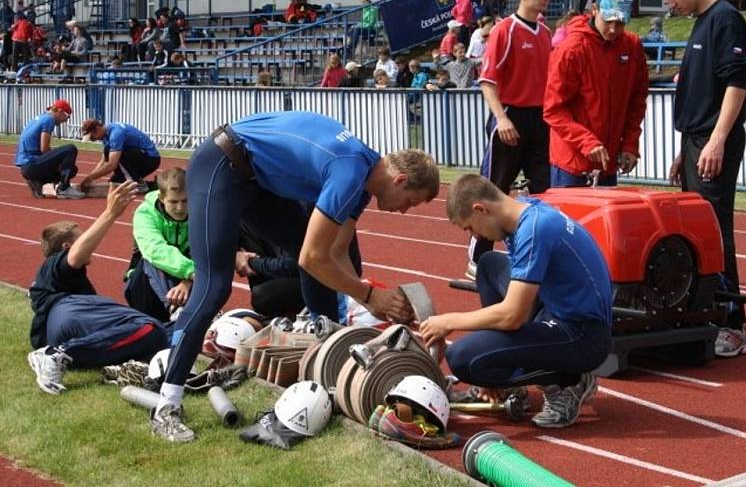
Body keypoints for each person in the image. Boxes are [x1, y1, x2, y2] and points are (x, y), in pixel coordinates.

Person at [149, 111, 439, 442]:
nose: (404, 211)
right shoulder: (349, 173)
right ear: (400, 180)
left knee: (310, 254)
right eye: (410, 203)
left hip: (256, 177)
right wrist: (371, 296)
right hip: (221, 165)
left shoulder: (361, 180)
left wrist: (368, 298)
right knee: (213, 287)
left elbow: (334, 254)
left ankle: (328, 368)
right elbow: (313, 258)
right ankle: (167, 405)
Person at [420, 174, 612, 428]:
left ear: (480, 209)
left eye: (470, 227)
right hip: (557, 309)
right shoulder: (524, 211)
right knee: (488, 265)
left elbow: (513, 316)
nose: (475, 236)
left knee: (463, 358)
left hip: (584, 335)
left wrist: (449, 321)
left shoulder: (534, 230)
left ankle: (569, 382)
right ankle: (508, 381)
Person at [650, 0, 746, 357]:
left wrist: (716, 140)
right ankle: (708, 311)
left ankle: (733, 323)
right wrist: (684, 149)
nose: (670, 4)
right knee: (696, 231)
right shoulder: (701, 23)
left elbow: (736, 85)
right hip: (695, 141)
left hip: (713, 142)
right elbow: (700, 94)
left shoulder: (725, 20)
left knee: (714, 230)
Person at [27, 182, 171, 395]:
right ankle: (56, 354)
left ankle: (63, 358)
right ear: (67, 247)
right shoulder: (55, 264)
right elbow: (74, 257)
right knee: (150, 328)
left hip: (66, 328)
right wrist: (110, 213)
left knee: (155, 336)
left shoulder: (58, 280)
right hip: (67, 314)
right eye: (82, 238)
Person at [467, 0, 552, 280]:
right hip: (511, 115)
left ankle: (537, 252)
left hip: (540, 118)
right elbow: (487, 81)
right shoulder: (505, 31)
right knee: (494, 188)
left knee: (544, 190)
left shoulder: (544, 32)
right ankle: (479, 254)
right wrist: (501, 117)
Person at [544, 0, 649, 187]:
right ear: (595, 10)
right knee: (568, 219)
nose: (613, 29)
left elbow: (636, 102)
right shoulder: (571, 50)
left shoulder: (632, 46)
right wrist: (585, 141)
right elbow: (553, 109)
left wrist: (629, 144)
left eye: (620, 23)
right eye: (608, 20)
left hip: (607, 161)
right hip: (572, 162)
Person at [125, 169, 193, 322]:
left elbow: (207, 250)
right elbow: (155, 250)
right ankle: (176, 308)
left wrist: (187, 281)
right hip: (143, 283)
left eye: (185, 201)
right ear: (162, 198)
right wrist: (192, 272)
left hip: (187, 281)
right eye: (174, 202)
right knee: (150, 258)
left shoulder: (200, 212)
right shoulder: (145, 214)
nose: (180, 208)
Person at [15, 99, 84, 199]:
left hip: (27, 166)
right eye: (67, 117)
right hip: (31, 163)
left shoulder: (41, 117)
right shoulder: (49, 120)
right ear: (60, 111)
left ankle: (38, 181)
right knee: (70, 149)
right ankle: (64, 189)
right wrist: (59, 160)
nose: (65, 121)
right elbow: (44, 148)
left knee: (71, 169)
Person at [79, 119, 161, 193]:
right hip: (138, 158)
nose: (93, 140)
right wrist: (90, 178)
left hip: (150, 159)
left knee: (115, 153)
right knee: (114, 183)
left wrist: (90, 178)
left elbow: (112, 165)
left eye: (92, 137)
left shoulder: (116, 134)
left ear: (97, 129)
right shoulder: (106, 135)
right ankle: (154, 185)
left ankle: (137, 183)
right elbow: (103, 162)